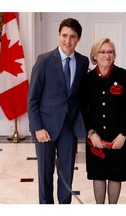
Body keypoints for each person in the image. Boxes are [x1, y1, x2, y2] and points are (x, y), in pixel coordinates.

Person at [28, 18, 89, 204]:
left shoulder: (83, 62)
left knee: (66, 176)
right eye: (64, 35)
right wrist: (37, 128)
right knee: (45, 175)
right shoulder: (44, 61)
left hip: (69, 129)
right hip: (45, 129)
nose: (67, 41)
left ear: (78, 39)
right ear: (59, 35)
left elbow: (80, 96)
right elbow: (32, 99)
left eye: (72, 36)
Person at [80, 38, 126, 204]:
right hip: (96, 137)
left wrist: (123, 134)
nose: (107, 55)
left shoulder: (124, 76)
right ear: (95, 55)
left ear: (114, 55)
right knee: (98, 174)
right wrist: (91, 133)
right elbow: (82, 109)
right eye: (103, 52)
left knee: (115, 174)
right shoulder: (87, 79)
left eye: (110, 52)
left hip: (118, 137)